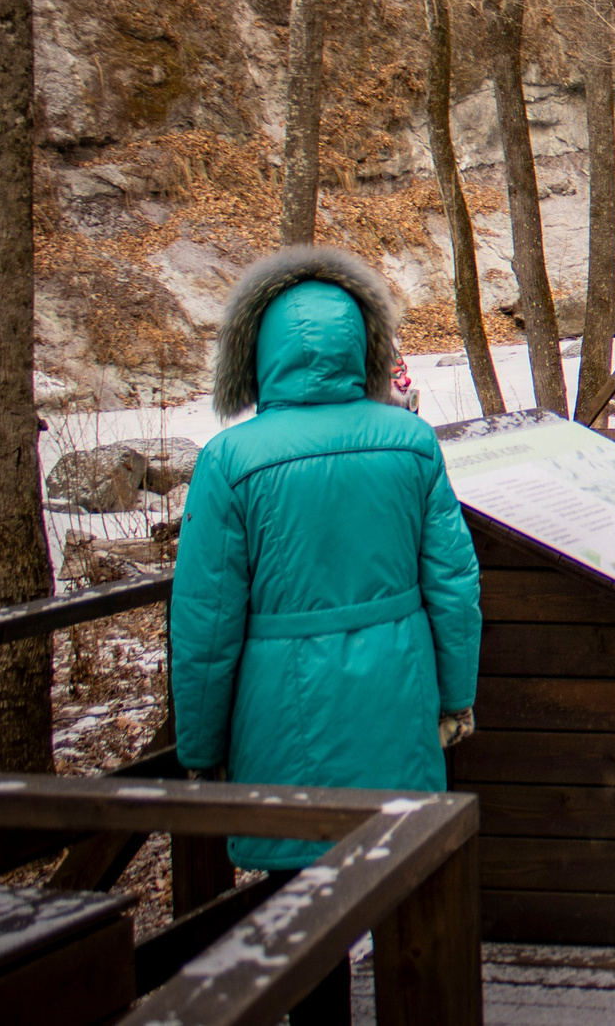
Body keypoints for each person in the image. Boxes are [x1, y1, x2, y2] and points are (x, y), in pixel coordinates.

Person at [173, 247, 482, 882]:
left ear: (255, 353)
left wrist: (200, 747)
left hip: (282, 708)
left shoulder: (229, 460)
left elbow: (206, 618)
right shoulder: (411, 442)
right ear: (364, 344)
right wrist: (456, 700)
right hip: (398, 692)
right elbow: (454, 585)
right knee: (402, 877)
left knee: (300, 900)